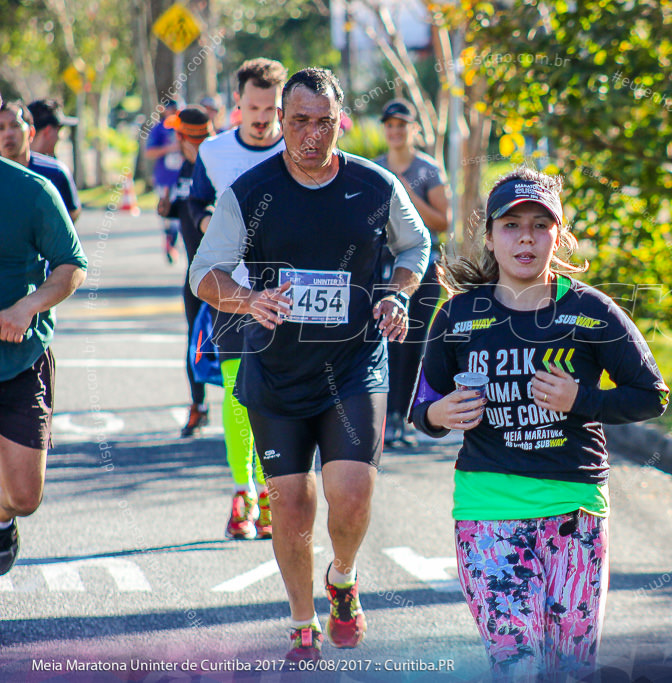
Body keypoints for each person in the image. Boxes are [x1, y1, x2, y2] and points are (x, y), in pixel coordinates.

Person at [189, 67, 430, 663]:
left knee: (350, 493)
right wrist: (249, 299)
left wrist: (397, 293)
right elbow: (205, 273)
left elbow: (417, 244)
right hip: (276, 368)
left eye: (324, 123)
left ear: (338, 122)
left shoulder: (375, 186)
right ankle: (302, 619)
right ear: (281, 121)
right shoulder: (251, 191)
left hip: (353, 363)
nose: (312, 136)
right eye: (299, 121)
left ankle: (342, 580)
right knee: (292, 505)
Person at [409, 168, 669, 680]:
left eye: (539, 225)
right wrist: (439, 415)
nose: (525, 237)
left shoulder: (590, 312)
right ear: (489, 237)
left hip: (574, 509)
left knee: (569, 667)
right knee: (517, 662)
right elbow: (422, 404)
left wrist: (583, 399)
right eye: (511, 225)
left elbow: (651, 395)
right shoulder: (460, 315)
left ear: (560, 234)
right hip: (487, 507)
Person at [188, 58, 288, 540]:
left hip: (289, 297)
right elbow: (195, 207)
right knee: (236, 396)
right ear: (237, 105)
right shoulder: (213, 152)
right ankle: (243, 493)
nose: (262, 116)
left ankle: (272, 492)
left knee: (277, 397)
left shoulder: (301, 148)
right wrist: (221, 230)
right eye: (253, 106)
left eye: (271, 107)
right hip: (231, 292)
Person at [0, 92, 88, 576]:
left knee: (24, 496)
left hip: (19, 357)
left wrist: (26, 306)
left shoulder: (33, 190)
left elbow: (72, 265)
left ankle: (3, 520)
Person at [373, 98, 451, 447]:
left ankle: (403, 419)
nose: (395, 131)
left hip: (425, 268)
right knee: (384, 341)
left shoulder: (428, 169)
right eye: (389, 125)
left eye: (401, 125)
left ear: (413, 129)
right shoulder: (374, 167)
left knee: (413, 342)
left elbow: (442, 221)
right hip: (384, 268)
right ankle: (381, 417)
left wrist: (406, 193)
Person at [164, 107, 215, 437]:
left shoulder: (216, 163)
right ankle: (198, 406)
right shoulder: (184, 167)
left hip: (227, 272)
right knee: (194, 341)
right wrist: (166, 208)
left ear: (184, 137)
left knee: (238, 345)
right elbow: (177, 207)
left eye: (177, 134)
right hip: (194, 272)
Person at [0, 100, 81, 222]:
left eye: (15, 125)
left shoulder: (55, 173)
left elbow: (71, 216)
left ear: (31, 132)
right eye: (1, 128)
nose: (8, 134)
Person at [144, 99, 184, 263]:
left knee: (181, 215)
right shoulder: (159, 129)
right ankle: (170, 243)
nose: (172, 112)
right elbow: (150, 152)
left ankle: (174, 244)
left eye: (175, 109)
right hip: (164, 179)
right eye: (170, 109)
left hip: (182, 179)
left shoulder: (183, 127)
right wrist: (170, 148)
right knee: (168, 214)